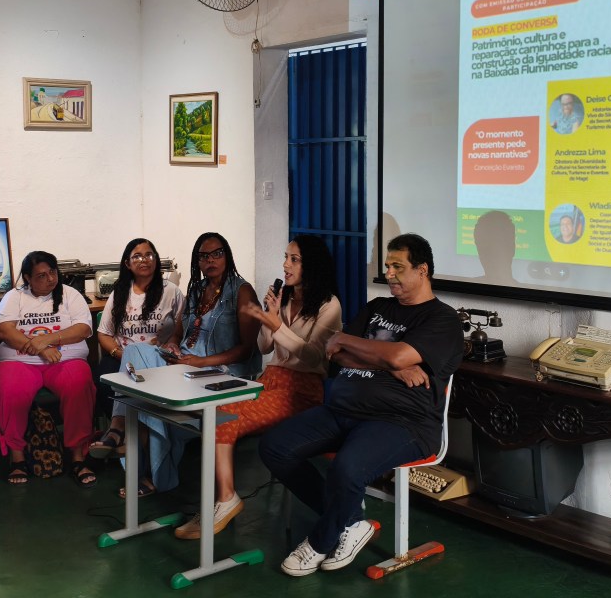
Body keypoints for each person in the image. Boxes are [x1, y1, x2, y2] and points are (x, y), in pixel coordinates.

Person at [259, 233, 463, 577]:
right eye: (387, 266)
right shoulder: (377, 308)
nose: (389, 274)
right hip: (342, 410)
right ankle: (351, 521)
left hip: (402, 423)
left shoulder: (442, 320)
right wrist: (390, 366)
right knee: (274, 447)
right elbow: (336, 355)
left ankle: (320, 541)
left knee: (347, 468)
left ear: (422, 270)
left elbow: (392, 352)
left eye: (398, 267)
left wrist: (353, 343)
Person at [173, 235, 342, 540]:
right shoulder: (284, 297)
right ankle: (222, 500)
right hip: (270, 379)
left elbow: (315, 356)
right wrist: (269, 318)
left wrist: (277, 325)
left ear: (312, 265)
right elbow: (264, 348)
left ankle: (225, 499)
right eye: (285, 257)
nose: (285, 265)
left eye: (294, 259)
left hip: (302, 390)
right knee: (216, 411)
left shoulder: (329, 305)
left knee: (223, 413)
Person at [120, 231, 261, 496]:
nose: (211, 260)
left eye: (217, 254)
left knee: (150, 404)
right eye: (204, 256)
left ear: (227, 256)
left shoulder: (242, 291)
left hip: (218, 371)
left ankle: (144, 470)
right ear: (197, 261)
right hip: (184, 363)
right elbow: (180, 330)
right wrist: (173, 344)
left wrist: (201, 362)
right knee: (135, 351)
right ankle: (121, 431)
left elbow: (247, 349)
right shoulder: (197, 289)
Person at [0, 251, 97, 487]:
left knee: (79, 385)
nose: (50, 279)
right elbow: (4, 331)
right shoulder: (14, 297)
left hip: (66, 359)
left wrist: (47, 340)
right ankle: (17, 457)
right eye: (41, 275)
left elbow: (83, 329)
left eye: (52, 272)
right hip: (19, 361)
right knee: (11, 390)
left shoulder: (70, 294)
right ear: (27, 278)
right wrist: (41, 349)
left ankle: (78, 456)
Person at [89, 238, 184, 458]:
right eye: (137, 256)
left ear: (156, 260)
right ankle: (135, 437)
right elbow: (104, 333)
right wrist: (118, 353)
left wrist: (173, 342)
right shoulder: (120, 293)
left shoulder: (171, 292)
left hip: (158, 359)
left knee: (138, 366)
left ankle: (118, 431)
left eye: (149, 255)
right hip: (122, 355)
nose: (144, 260)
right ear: (127, 263)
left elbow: (181, 330)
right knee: (104, 377)